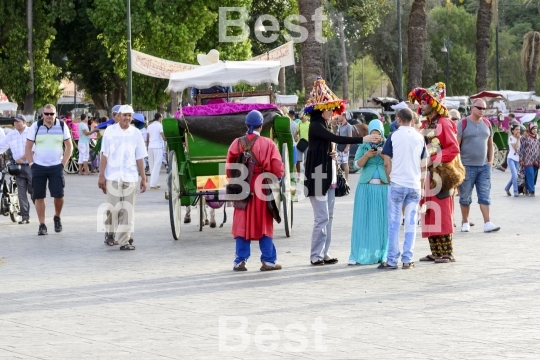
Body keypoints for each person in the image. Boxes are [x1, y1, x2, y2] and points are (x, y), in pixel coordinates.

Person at [303, 77, 379, 266]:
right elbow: (335, 138)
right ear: (321, 110)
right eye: (329, 109)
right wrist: (363, 139)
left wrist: (333, 154)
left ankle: (324, 253)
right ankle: (315, 255)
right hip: (318, 175)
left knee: (329, 217)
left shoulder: (325, 124)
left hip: (328, 175)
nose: (332, 112)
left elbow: (329, 144)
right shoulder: (316, 126)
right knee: (321, 217)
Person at [226, 110, 284, 271]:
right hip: (261, 187)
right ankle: (268, 261)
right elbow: (278, 168)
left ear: (246, 124)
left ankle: (240, 261)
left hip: (241, 187)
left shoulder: (236, 143)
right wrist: (276, 178)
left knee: (241, 223)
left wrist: (235, 182)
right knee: (264, 223)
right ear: (261, 125)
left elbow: (229, 167)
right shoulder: (268, 143)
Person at [409, 82, 460, 264]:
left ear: (434, 103)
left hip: (441, 174)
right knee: (430, 211)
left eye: (423, 102)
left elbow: (453, 149)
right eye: (419, 102)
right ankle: (436, 252)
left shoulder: (444, 123)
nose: (420, 105)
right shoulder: (428, 124)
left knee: (442, 211)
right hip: (428, 175)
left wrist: (433, 158)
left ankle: (447, 252)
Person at [378, 108, 427, 270]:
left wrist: (390, 178)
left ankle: (392, 260)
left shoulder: (393, 136)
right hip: (414, 185)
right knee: (411, 222)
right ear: (412, 120)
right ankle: (407, 259)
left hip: (397, 183)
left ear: (399, 120)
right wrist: (421, 185)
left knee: (393, 223)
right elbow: (424, 164)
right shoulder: (420, 138)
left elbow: (386, 161)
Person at [98, 105, 147, 250]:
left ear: (132, 118)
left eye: (129, 116)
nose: (127, 118)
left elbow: (139, 157)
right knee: (112, 208)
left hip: (130, 175)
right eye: (124, 115)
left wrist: (143, 177)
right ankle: (110, 232)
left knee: (128, 209)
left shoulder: (136, 133)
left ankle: (124, 240)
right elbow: (104, 154)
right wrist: (101, 175)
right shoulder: (110, 131)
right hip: (112, 175)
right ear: (118, 116)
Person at [25, 104, 72, 235]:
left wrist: (62, 164)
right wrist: (31, 164)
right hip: (38, 166)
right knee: (38, 196)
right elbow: (28, 147)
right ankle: (42, 224)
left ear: (55, 114)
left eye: (52, 114)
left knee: (59, 195)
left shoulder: (62, 126)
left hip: (56, 166)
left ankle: (57, 217)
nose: (49, 116)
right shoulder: (36, 126)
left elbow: (69, 147)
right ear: (42, 114)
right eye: (47, 114)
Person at [348, 119, 388, 265]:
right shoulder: (364, 146)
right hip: (366, 188)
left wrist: (384, 155)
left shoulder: (388, 144)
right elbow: (355, 165)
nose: (375, 137)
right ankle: (359, 254)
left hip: (384, 188)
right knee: (363, 220)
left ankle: (382, 254)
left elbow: (395, 163)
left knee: (382, 222)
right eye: (373, 134)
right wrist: (367, 156)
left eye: (378, 134)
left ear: (382, 133)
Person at [457, 99, 500, 233]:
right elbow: (457, 146)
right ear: (472, 108)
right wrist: (458, 164)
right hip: (466, 166)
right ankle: (465, 222)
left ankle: (487, 223)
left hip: (484, 167)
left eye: (484, 109)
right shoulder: (462, 123)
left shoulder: (487, 123)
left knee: (485, 195)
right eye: (479, 108)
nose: (482, 111)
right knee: (465, 196)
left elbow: (490, 144)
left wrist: (490, 162)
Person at [0, 114, 33, 224]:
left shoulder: (31, 132)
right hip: (17, 168)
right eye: (15, 121)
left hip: (30, 166)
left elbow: (34, 149)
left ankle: (39, 211)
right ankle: (25, 217)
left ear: (24, 122)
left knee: (33, 191)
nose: (17, 123)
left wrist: (23, 158)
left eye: (19, 121)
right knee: (21, 193)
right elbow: (1, 146)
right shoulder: (11, 135)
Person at [519, 122, 540, 196]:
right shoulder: (525, 138)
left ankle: (526, 188)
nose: (535, 130)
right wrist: (521, 159)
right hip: (527, 160)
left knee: (533, 176)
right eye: (533, 128)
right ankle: (532, 191)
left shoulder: (537, 138)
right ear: (530, 129)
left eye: (536, 128)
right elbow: (521, 149)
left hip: (536, 160)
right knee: (530, 174)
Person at [146, 113, 166, 190]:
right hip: (157, 147)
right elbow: (163, 136)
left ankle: (155, 182)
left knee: (152, 165)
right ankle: (152, 184)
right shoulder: (160, 126)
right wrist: (166, 138)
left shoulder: (150, 126)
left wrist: (147, 146)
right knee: (157, 165)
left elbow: (147, 138)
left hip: (150, 147)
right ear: (159, 118)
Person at [505, 124, 521, 197]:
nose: (518, 131)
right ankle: (515, 192)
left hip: (517, 160)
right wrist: (517, 139)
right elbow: (515, 147)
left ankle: (507, 188)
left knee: (514, 176)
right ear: (512, 131)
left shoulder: (521, 138)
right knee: (515, 175)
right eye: (516, 129)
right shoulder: (511, 138)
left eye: (519, 129)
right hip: (511, 158)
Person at [336, 113, 353, 181]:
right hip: (339, 147)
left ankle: (346, 179)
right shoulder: (339, 126)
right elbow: (337, 135)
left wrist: (347, 147)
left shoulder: (348, 126)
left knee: (345, 163)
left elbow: (350, 137)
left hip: (345, 147)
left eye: (339, 116)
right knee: (337, 163)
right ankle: (337, 179)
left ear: (343, 116)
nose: (338, 117)